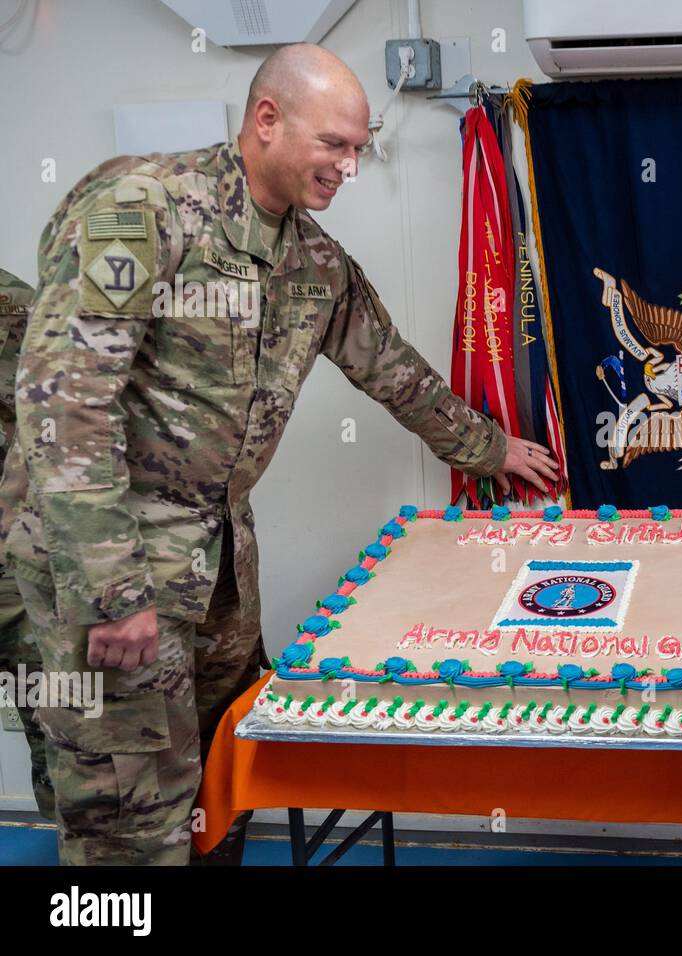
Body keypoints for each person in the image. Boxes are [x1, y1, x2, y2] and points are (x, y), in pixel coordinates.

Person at [0, 43, 558, 865]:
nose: (348, 167)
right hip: (106, 582)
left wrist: (490, 448)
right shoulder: (145, 209)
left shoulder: (313, 261)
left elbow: (393, 371)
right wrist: (113, 589)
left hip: (219, 577)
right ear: (268, 120)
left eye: (359, 150)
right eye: (334, 144)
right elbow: (64, 401)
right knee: (124, 823)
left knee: (217, 800)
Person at [0, 267, 52, 819]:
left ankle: (82, 852)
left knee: (52, 710)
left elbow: (53, 427)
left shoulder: (16, 305)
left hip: (17, 556)